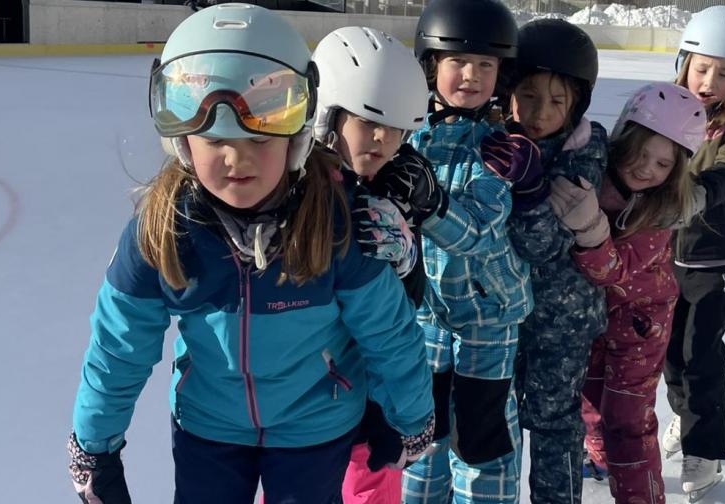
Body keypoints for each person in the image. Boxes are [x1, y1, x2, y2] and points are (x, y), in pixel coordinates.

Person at [66, 5, 434, 503]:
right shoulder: (163, 232)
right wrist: (95, 446)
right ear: (183, 143)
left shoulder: (336, 220)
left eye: (258, 138)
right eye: (215, 140)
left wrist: (408, 415)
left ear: (297, 135)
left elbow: (388, 331)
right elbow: (117, 348)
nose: (236, 159)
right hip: (209, 428)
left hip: (314, 428)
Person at [551, 81, 725, 504]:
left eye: (662, 163)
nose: (647, 169)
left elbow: (609, 269)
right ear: (625, 137)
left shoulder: (661, 211)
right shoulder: (595, 175)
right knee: (588, 402)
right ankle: (600, 456)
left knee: (628, 423)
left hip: (640, 326)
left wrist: (590, 229)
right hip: (592, 319)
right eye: (642, 153)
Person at [398, 0, 545, 502]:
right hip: (426, 316)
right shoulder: (407, 141)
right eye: (458, 61)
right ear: (430, 65)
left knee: (482, 442)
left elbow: (479, 231)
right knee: (423, 434)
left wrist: (430, 201)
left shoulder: (499, 148)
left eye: (486, 65)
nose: (471, 75)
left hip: (488, 318)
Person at [311, 25, 441, 503]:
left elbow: (402, 314)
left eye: (397, 129)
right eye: (368, 122)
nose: (383, 140)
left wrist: (407, 263)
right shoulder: (290, 194)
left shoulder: (394, 190)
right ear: (328, 113)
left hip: (370, 405)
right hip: (301, 405)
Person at [661, 5, 725, 500]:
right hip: (663, 257)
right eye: (702, 67)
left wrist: (701, 190)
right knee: (670, 356)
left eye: (724, 72)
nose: (710, 80)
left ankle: (704, 453)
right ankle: (685, 419)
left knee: (699, 357)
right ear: (682, 61)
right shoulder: (660, 111)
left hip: (713, 262)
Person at [501, 19, 608, 504]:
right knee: (493, 420)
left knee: (551, 420)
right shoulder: (492, 141)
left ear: (577, 105)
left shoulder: (585, 147)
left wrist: (524, 188)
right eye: (527, 95)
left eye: (557, 101)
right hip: (501, 315)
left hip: (561, 318)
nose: (540, 113)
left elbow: (541, 242)